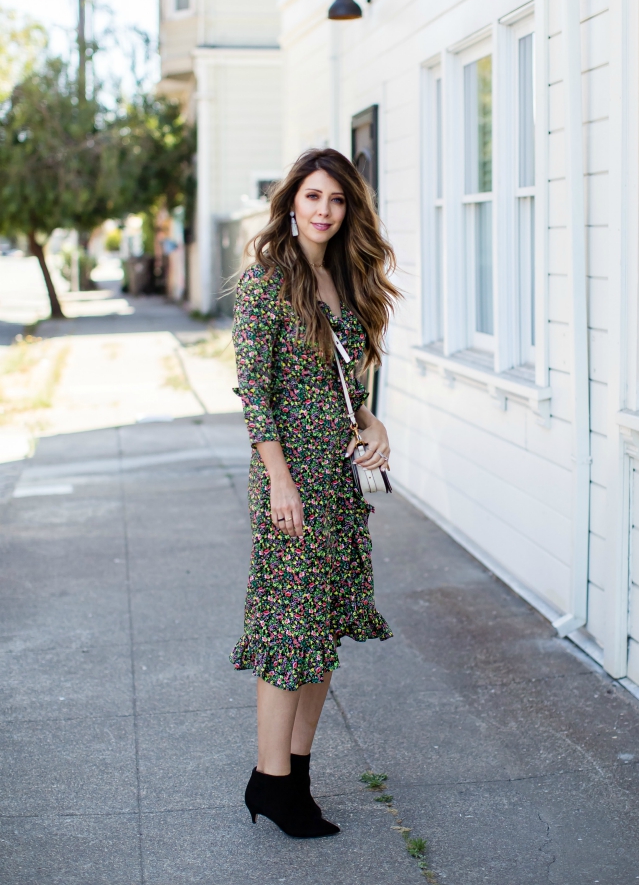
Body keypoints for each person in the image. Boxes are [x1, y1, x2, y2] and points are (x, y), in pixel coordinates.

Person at [230, 147, 402, 838]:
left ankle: (294, 776)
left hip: (335, 476)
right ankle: (271, 782)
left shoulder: (344, 278)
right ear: (291, 203)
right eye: (313, 198)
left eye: (336, 200)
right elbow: (256, 395)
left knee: (323, 625)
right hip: (289, 480)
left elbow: (347, 388)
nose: (325, 211)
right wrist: (279, 480)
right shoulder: (266, 282)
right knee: (287, 629)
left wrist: (373, 423)